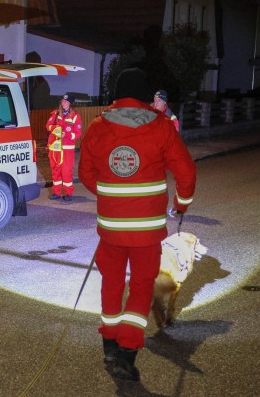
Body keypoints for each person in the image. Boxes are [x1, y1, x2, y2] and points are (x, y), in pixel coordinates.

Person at [78, 69, 196, 381]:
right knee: (142, 286)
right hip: (147, 231)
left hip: (112, 229)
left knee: (112, 283)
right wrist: (181, 203)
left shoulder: (98, 127)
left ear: (116, 95)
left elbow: (86, 171)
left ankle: (109, 346)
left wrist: (110, 195)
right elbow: (185, 171)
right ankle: (127, 355)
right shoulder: (161, 127)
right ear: (145, 95)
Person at [45, 93, 82, 201]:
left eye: (66, 101)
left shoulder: (75, 116)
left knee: (66, 171)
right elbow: (48, 126)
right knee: (55, 170)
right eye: (62, 101)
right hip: (55, 148)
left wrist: (67, 135)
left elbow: (78, 133)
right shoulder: (56, 114)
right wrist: (56, 128)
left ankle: (69, 193)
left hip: (67, 148)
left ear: (70, 103)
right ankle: (56, 192)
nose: (63, 103)